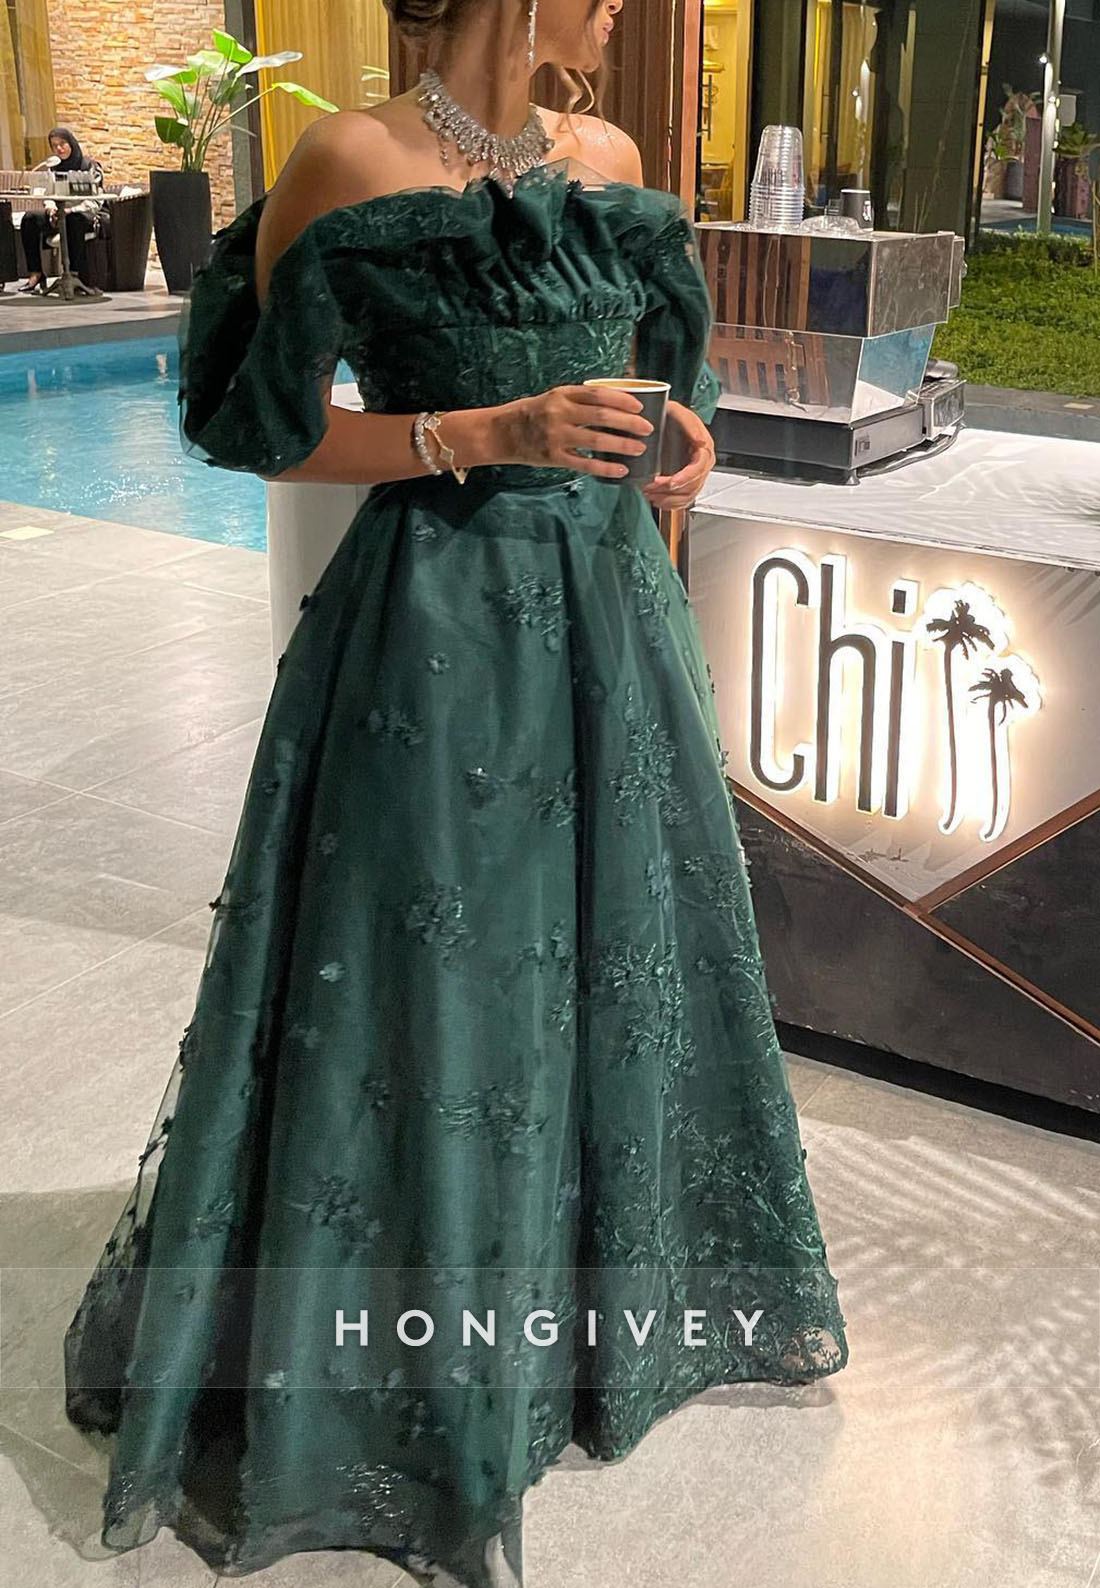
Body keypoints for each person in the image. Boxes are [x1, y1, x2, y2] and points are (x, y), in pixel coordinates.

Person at [62, 1, 849, 1583]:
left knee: (620, 960)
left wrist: (679, 434)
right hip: (439, 632)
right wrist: (486, 431)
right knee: (441, 985)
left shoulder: (609, 155)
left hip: (612, 622)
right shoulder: (347, 159)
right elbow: (266, 431)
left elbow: (633, 381)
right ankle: (422, 1373)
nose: (616, 9)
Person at [19, 125, 105, 292]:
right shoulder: (53, 168)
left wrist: (70, 211)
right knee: (30, 218)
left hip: (83, 213)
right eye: (54, 145)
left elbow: (96, 200)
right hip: (58, 213)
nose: (59, 148)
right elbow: (49, 194)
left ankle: (75, 275)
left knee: (72, 220)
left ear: (71, 143)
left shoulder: (89, 166)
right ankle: (36, 273)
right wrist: (51, 208)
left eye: (62, 144)